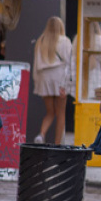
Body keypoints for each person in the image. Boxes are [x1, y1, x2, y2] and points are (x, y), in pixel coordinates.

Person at [32, 16, 72, 144]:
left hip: (45, 79)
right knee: (60, 113)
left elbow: (36, 64)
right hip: (60, 78)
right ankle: (57, 144)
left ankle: (41, 134)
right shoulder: (65, 41)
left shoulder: (41, 40)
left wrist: (37, 82)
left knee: (50, 112)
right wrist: (68, 84)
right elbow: (69, 63)